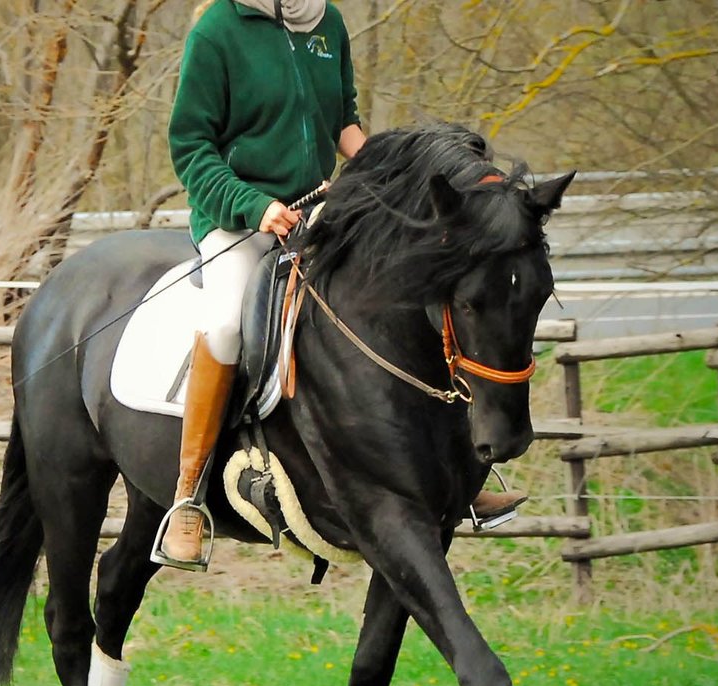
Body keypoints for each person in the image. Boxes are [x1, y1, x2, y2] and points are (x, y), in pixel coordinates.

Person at [154, 0, 522, 571]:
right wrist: (254, 205)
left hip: (315, 210)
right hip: (238, 219)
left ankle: (454, 471)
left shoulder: (325, 21)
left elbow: (343, 123)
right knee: (226, 326)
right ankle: (188, 497)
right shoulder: (217, 30)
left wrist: (393, 173)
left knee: (404, 292)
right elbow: (191, 148)